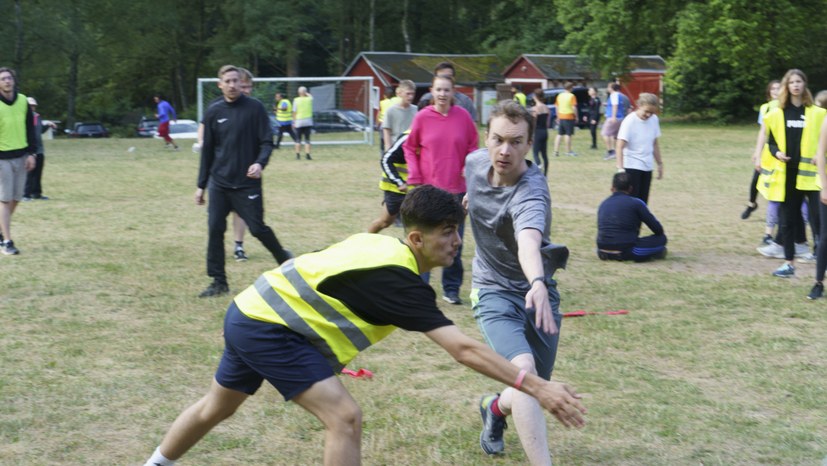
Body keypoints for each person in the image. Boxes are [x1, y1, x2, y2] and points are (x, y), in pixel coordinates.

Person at [142, 185, 586, 466]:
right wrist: (539, 388)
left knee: (215, 408)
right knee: (345, 417)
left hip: (250, 312)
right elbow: (463, 350)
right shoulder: (398, 279)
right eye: (446, 232)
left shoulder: (378, 245)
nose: (455, 241)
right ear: (416, 239)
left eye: (457, 230)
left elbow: (322, 258)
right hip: (267, 328)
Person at [465, 100, 570, 464]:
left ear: (529, 145)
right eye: (497, 140)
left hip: (536, 291)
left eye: (515, 142)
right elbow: (474, 191)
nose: (504, 151)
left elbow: (528, 239)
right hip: (491, 288)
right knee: (525, 372)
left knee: (530, 385)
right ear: (487, 138)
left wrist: (538, 282)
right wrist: (468, 201)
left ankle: (494, 408)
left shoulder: (531, 191)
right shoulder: (475, 162)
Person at [196, 65, 292, 297]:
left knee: (258, 228)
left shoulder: (255, 108)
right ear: (220, 85)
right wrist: (201, 185)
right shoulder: (213, 111)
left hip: (247, 183)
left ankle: (284, 259)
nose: (231, 85)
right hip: (219, 183)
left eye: (235, 81)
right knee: (215, 230)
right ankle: (218, 282)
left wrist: (260, 163)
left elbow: (267, 142)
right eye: (227, 81)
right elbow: (207, 150)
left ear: (241, 83)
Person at [403, 74, 479, 305]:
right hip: (428, 191)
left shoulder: (463, 117)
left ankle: (451, 289)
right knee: (423, 241)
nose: (442, 94)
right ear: (432, 92)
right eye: (438, 90)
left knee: (453, 241)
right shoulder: (422, 117)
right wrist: (415, 176)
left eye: (447, 90)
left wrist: (469, 166)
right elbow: (409, 147)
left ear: (453, 92)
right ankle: (419, 288)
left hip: (456, 191)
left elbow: (473, 147)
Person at [759, 69, 826, 278]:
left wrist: (820, 156)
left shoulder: (817, 113)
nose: (796, 85)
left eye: (799, 81)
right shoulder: (777, 113)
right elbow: (771, 143)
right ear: (787, 87)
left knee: (818, 222)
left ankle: (820, 260)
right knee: (787, 221)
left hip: (812, 176)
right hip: (787, 175)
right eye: (792, 82)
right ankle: (788, 263)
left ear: (805, 85)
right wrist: (777, 152)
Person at [194, 67, 256, 262]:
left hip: (244, 169)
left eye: (248, 87)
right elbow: (203, 127)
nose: (245, 90)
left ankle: (239, 246)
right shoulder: (217, 106)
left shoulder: (253, 107)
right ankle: (216, 250)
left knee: (241, 210)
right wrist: (205, 144)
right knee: (217, 214)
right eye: (242, 85)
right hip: (220, 169)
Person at [0, 67, 36, 256]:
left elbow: (30, 129)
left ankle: (1, 229)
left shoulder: (22, 101)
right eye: (3, 79)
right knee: (5, 200)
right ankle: (7, 241)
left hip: (21, 156)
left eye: (9, 78)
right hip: (2, 158)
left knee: (16, 198)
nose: (7, 81)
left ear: (14, 81)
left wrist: (32, 153)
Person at [596, 172, 667, 262]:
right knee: (662, 239)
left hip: (601, 249)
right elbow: (658, 229)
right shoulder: (636, 203)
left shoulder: (603, 203)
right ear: (630, 189)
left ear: (612, 188)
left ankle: (610, 253)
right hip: (626, 250)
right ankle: (655, 252)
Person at [615, 92, 663, 204]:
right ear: (639, 106)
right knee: (632, 202)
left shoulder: (654, 119)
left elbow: (654, 143)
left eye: (652, 112)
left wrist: (660, 163)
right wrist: (621, 169)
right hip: (632, 166)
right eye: (646, 111)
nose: (648, 115)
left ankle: (638, 222)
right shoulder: (629, 121)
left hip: (647, 166)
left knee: (642, 203)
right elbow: (619, 146)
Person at [743, 80, 781, 221]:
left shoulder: (786, 107)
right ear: (769, 92)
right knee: (756, 179)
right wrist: (757, 152)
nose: (776, 91)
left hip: (781, 150)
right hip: (767, 151)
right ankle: (751, 203)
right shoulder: (764, 108)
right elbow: (763, 132)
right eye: (773, 89)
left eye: (779, 88)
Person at [367, 131, 411, 234]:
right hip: (396, 189)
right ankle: (365, 241)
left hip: (418, 189)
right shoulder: (408, 138)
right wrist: (399, 182)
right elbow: (386, 160)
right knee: (385, 221)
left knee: (418, 223)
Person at [22, 97, 56, 201]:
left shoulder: (37, 116)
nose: (32, 107)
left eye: (33, 105)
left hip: (39, 149)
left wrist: (48, 125)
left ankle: (36, 193)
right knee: (29, 173)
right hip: (28, 149)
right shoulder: (22, 117)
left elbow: (39, 130)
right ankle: (25, 195)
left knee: (38, 172)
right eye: (30, 105)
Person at [381, 79, 417, 149]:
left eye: (413, 94)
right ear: (400, 93)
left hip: (411, 149)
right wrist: (388, 150)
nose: (411, 97)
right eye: (408, 94)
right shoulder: (390, 111)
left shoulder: (416, 110)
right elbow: (387, 133)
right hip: (396, 149)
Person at [602, 83, 627, 160]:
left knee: (605, 134)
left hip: (613, 117)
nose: (607, 88)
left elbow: (615, 105)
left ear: (612, 88)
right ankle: (617, 151)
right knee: (615, 135)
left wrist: (613, 117)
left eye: (608, 87)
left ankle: (610, 151)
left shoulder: (614, 95)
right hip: (620, 117)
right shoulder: (619, 95)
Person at [553, 82, 578, 157]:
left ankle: (555, 151)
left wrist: (557, 116)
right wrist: (576, 116)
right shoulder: (572, 96)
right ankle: (568, 151)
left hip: (561, 116)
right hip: (569, 116)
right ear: (571, 88)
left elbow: (556, 106)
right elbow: (573, 107)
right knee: (568, 134)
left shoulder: (560, 95)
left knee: (559, 134)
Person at [530, 88, 550, 175]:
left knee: (535, 153)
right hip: (545, 131)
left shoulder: (535, 109)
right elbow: (548, 122)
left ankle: (538, 169)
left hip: (537, 132)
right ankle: (545, 174)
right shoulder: (546, 108)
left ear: (535, 96)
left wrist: (531, 133)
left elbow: (534, 122)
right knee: (544, 154)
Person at [292, 86, 313, 160]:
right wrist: (306, 93)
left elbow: (294, 112)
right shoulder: (309, 99)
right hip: (308, 121)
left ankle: (298, 155)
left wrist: (293, 122)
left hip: (299, 121)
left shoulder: (296, 100)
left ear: (298, 92)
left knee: (298, 139)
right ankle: (308, 155)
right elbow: (311, 96)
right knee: (307, 139)